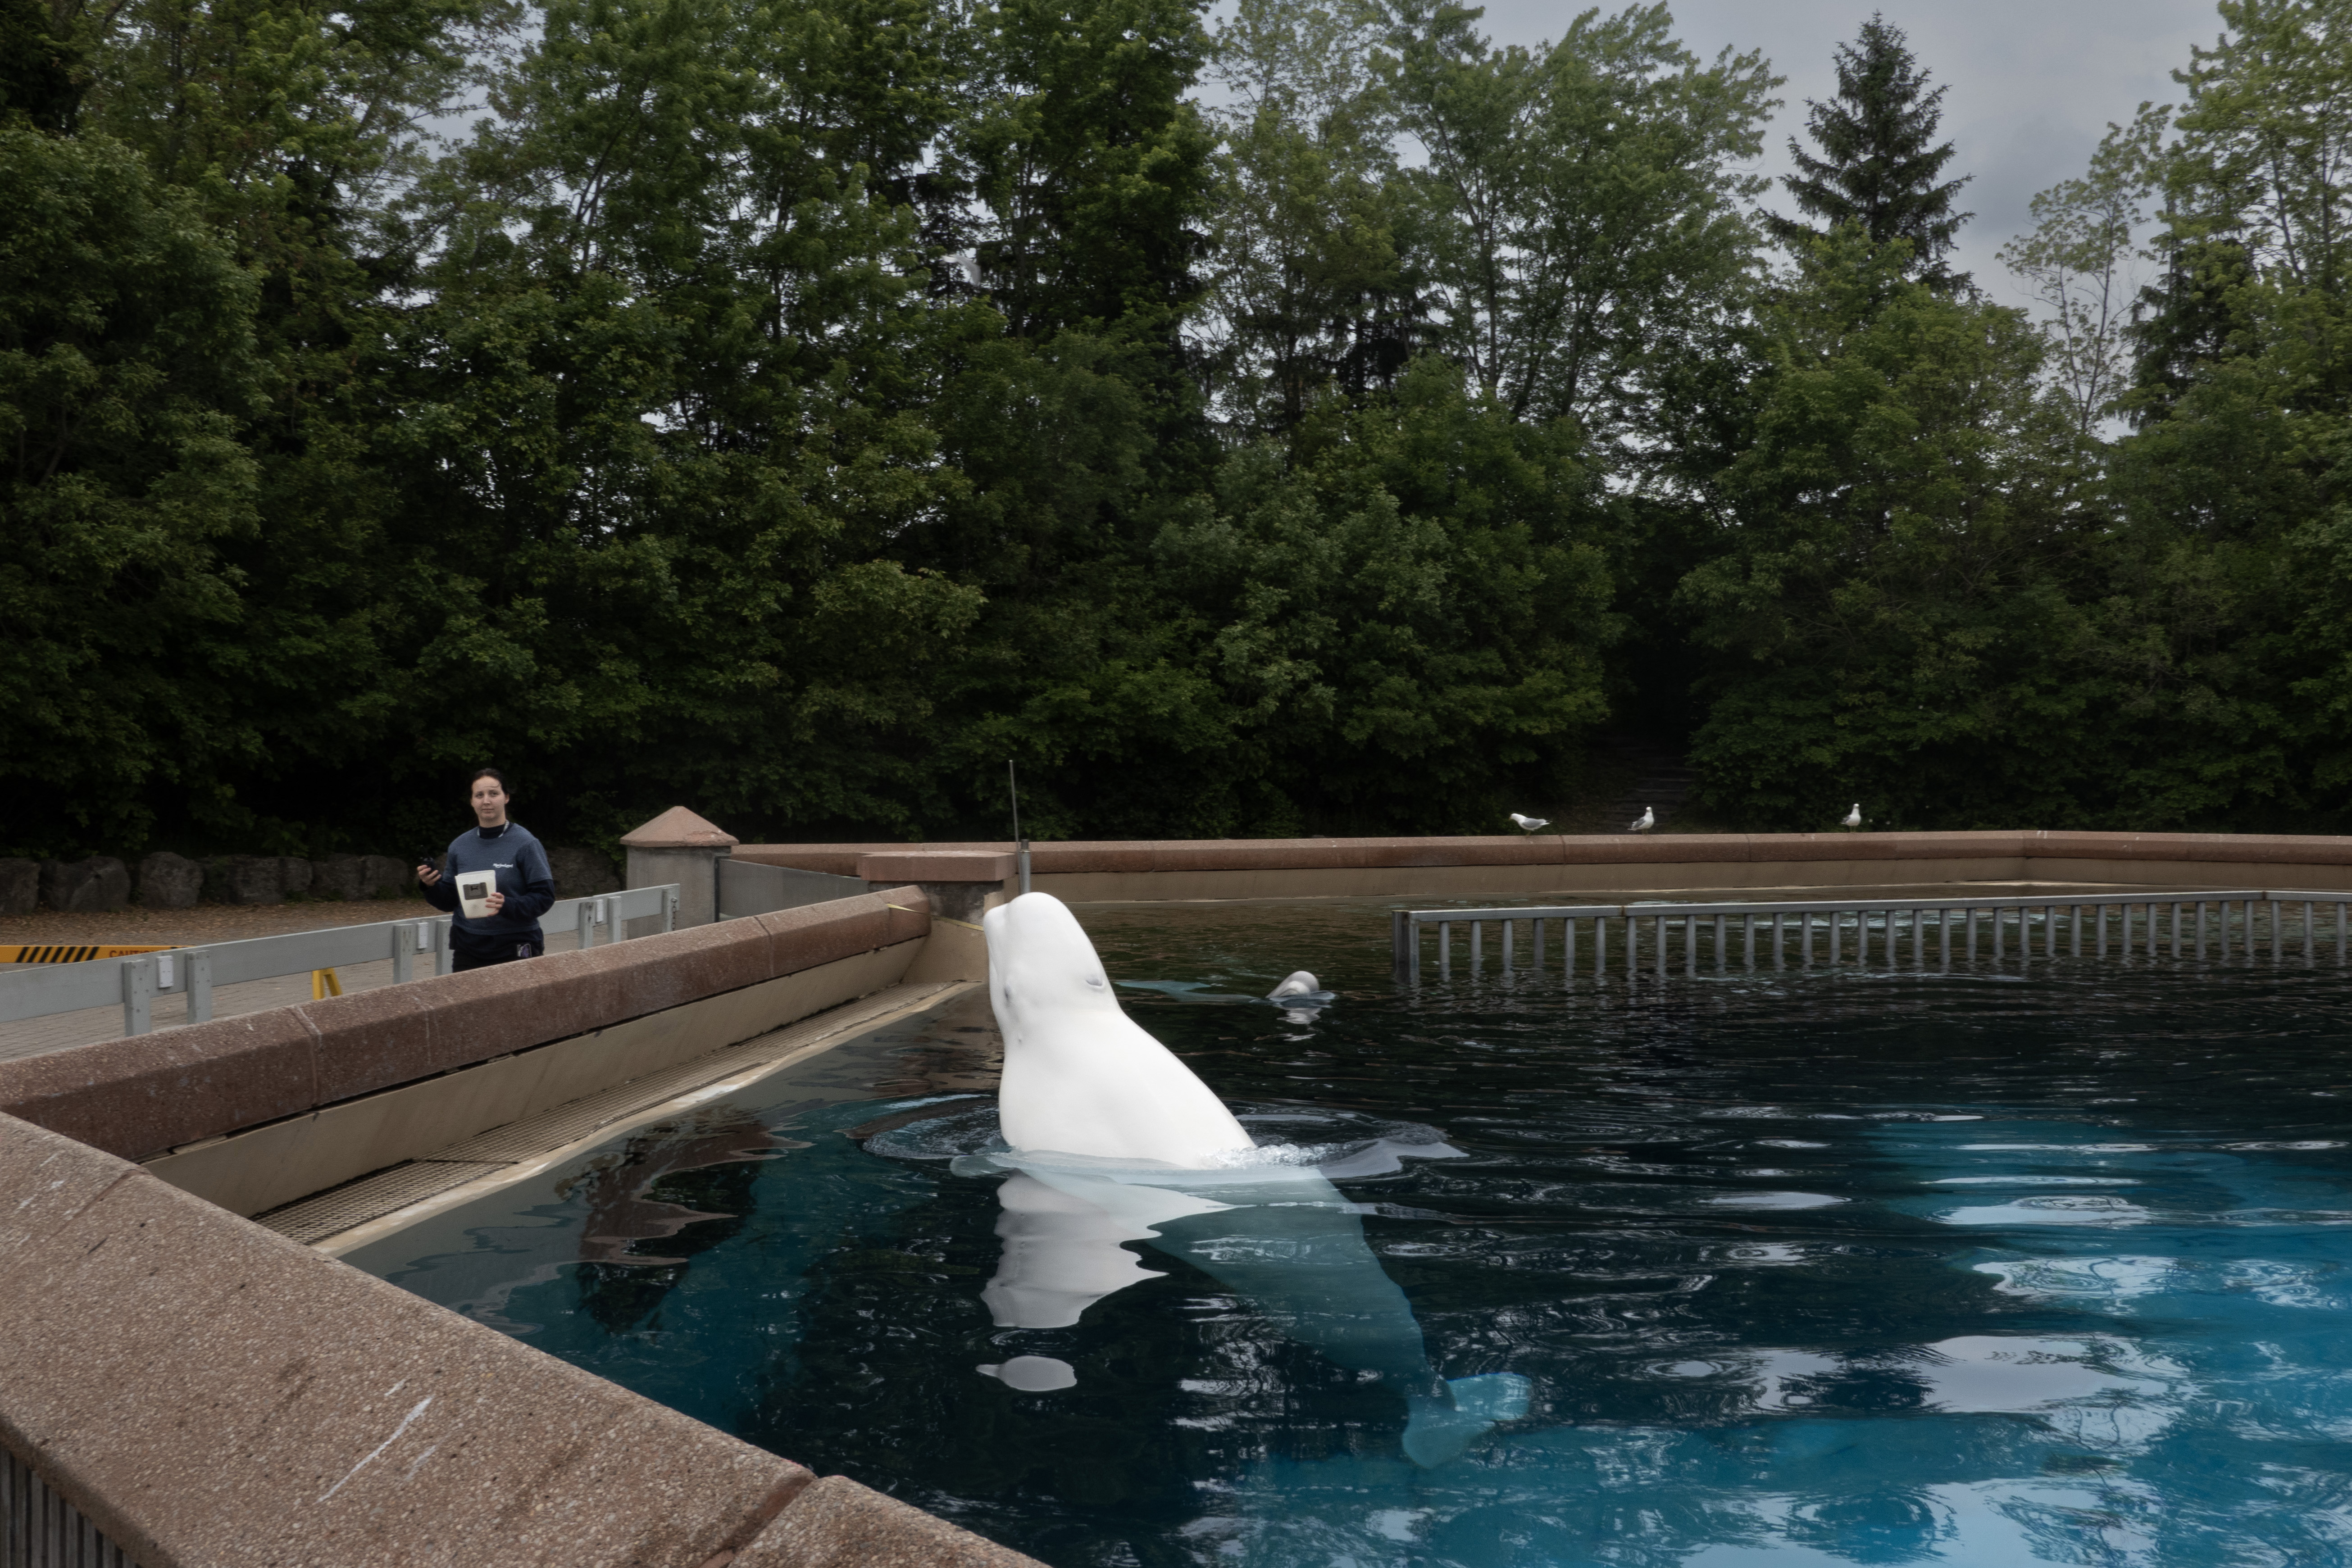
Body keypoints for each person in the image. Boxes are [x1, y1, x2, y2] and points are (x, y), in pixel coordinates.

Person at [416, 768, 556, 970]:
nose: (486, 801)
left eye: (494, 794)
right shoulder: (459, 846)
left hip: (516, 945)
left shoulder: (526, 844)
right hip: (468, 947)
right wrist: (431, 886)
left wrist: (508, 905)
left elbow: (545, 897)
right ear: (472, 801)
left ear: (506, 797)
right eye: (479, 795)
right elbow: (450, 901)